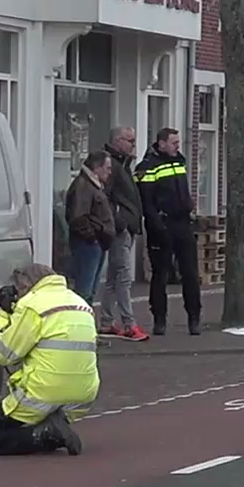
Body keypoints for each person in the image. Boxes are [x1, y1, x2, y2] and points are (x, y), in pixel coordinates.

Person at [0, 264, 94, 456]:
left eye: (17, 291)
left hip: (42, 394)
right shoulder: (80, 303)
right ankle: (53, 425)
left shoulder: (32, 305)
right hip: (82, 396)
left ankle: (44, 434)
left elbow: (4, 354)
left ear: (26, 286)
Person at [137, 127, 202, 336]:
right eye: (174, 142)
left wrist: (189, 208)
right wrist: (159, 226)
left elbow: (182, 191)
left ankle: (194, 317)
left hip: (183, 224)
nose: (177, 146)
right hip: (162, 227)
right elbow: (147, 202)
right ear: (161, 143)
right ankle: (159, 320)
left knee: (190, 273)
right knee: (160, 275)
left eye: (178, 142)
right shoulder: (147, 167)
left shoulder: (179, 161)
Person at [100, 125, 148, 340]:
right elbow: (105, 198)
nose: (133, 144)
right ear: (118, 141)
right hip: (120, 229)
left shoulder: (124, 165)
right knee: (123, 277)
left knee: (113, 277)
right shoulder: (114, 166)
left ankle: (107, 321)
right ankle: (129, 323)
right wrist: (120, 222)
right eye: (129, 140)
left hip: (124, 227)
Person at [63, 150, 114, 304]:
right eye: (107, 168)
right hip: (88, 245)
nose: (110, 172)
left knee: (90, 290)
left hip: (95, 243)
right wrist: (93, 238)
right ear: (97, 168)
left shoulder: (93, 185)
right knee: (84, 290)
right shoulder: (84, 186)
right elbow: (78, 217)